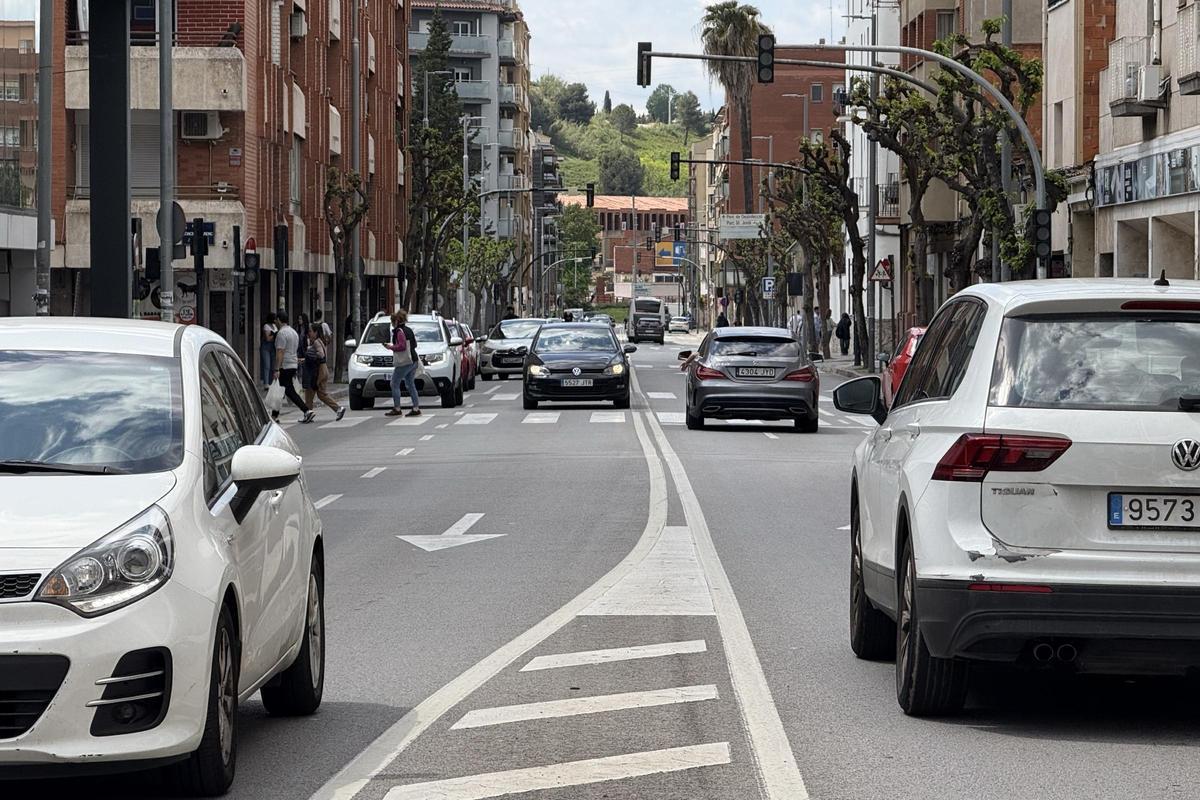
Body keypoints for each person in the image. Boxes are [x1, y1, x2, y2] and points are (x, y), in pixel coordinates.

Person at [273, 311, 314, 423]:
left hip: (284, 365)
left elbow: (280, 352)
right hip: (293, 364)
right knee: (282, 391)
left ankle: (306, 410)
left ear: (280, 320)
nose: (275, 322)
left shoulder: (281, 334)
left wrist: (277, 368)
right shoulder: (293, 332)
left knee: (287, 391)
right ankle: (274, 416)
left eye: (276, 320)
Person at [302, 326, 345, 422]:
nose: (309, 333)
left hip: (319, 371)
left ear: (316, 332)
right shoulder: (320, 341)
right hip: (323, 369)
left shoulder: (317, 342)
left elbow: (320, 354)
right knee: (321, 394)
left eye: (310, 331)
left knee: (309, 391)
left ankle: (308, 413)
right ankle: (338, 409)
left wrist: (311, 357)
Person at [385, 309, 421, 417]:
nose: (392, 324)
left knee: (394, 383)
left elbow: (402, 346)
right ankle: (416, 407)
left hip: (405, 361)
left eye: (392, 322)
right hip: (413, 360)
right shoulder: (409, 330)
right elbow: (414, 345)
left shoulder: (399, 331)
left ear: (396, 321)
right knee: (410, 384)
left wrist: (390, 347)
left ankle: (397, 408)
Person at [259, 313, 277, 388]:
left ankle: (271, 382)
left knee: (273, 365)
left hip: (273, 346)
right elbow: (267, 338)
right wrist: (274, 335)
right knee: (267, 365)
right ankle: (266, 383)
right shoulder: (266, 326)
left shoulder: (275, 326)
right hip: (266, 346)